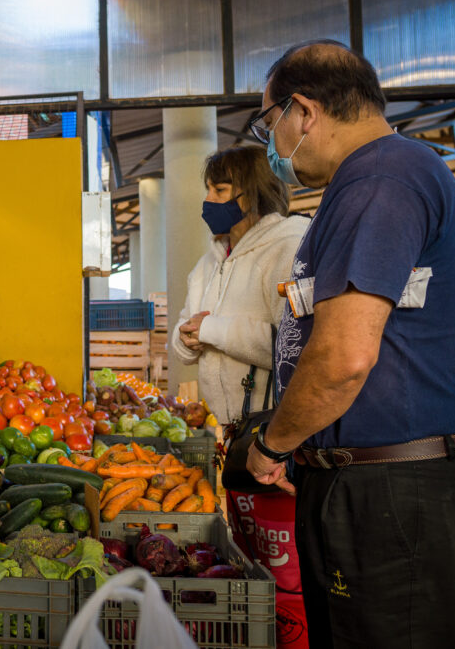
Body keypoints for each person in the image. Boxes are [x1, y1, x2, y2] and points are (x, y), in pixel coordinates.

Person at [246, 40, 455, 649]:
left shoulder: (379, 179)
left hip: (391, 496)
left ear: (303, 111)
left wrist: (274, 444)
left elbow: (345, 357)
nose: (271, 146)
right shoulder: (387, 175)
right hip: (383, 485)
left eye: (270, 124)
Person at [171, 145, 310, 649]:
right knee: (252, 562)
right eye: (209, 189)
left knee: (286, 568)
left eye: (220, 190)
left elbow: (295, 341)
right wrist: (186, 339)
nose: (208, 200)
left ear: (250, 194)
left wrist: (215, 328)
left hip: (280, 437)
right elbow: (188, 334)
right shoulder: (208, 261)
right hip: (234, 436)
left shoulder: (292, 245)